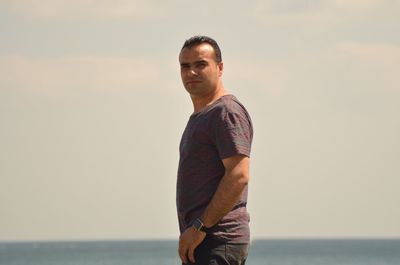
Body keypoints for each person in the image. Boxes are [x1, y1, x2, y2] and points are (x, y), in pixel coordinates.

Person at [176, 35, 254, 265]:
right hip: (204, 241)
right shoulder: (204, 115)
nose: (191, 72)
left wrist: (200, 226)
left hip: (218, 239)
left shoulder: (226, 112)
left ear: (219, 68)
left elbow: (239, 175)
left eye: (201, 64)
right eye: (185, 66)